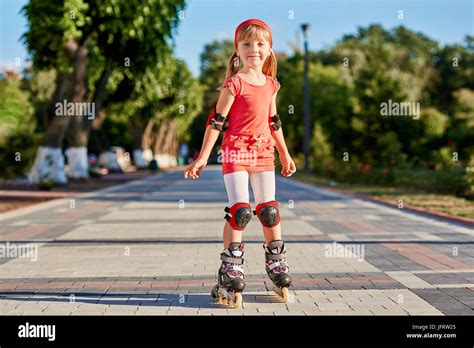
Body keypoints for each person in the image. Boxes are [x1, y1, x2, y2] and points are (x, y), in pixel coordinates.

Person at [184, 18, 296, 305]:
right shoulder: (234, 83)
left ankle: (276, 261)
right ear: (237, 50)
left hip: (263, 153)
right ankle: (231, 265)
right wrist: (202, 156)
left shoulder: (271, 85)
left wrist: (284, 152)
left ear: (270, 50)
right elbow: (216, 121)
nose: (253, 49)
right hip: (235, 152)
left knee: (269, 211)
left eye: (260, 44)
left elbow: (274, 122)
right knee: (241, 212)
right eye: (246, 44)